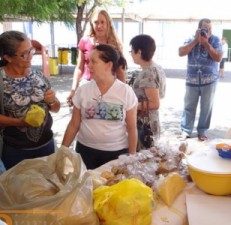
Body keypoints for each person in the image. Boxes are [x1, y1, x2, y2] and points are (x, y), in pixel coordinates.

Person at [62, 44, 138, 169]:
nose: (88, 65)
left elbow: (132, 128)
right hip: (85, 152)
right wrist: (62, 151)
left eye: (93, 62)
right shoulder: (83, 90)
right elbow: (74, 124)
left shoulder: (125, 92)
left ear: (108, 65)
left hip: (116, 154)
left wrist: (132, 157)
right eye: (88, 61)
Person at [0, 31, 61, 169]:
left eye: (31, 51)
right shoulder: (1, 80)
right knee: (19, 189)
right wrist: (19, 122)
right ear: (8, 57)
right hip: (15, 152)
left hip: (46, 146)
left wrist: (52, 101)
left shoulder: (37, 75)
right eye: (24, 54)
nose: (30, 57)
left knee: (46, 188)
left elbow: (56, 108)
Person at [67, 8, 125, 107]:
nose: (99, 26)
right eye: (96, 22)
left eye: (102, 22)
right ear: (91, 24)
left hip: (109, 87)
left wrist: (123, 91)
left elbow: (120, 70)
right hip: (87, 85)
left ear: (108, 24)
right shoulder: (84, 41)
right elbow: (79, 68)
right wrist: (73, 90)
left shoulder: (115, 44)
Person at [178, 18, 222, 141]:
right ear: (198, 28)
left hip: (210, 80)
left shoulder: (215, 40)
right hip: (192, 79)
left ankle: (202, 131)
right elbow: (181, 52)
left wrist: (206, 43)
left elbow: (218, 57)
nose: (207, 31)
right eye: (205, 29)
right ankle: (185, 130)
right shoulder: (191, 38)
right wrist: (195, 41)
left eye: (210, 29)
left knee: (206, 107)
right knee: (189, 106)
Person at [129, 34, 166, 149]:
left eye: (131, 51)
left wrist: (130, 106)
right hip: (150, 121)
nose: (131, 54)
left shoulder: (148, 73)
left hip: (144, 124)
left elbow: (155, 103)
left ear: (139, 52)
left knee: (142, 159)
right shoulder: (156, 67)